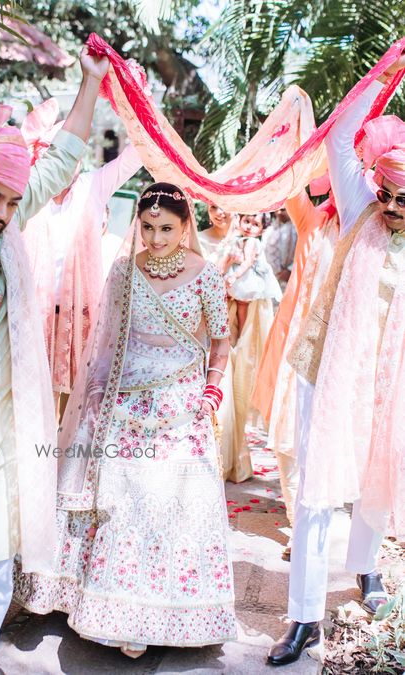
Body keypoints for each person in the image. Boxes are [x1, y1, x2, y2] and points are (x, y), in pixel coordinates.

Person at [14, 183, 237, 657]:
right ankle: (101, 605)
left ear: (185, 227)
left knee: (165, 505)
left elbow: (221, 340)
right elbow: (108, 342)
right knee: (119, 503)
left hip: (179, 406)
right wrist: (94, 398)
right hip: (121, 402)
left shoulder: (205, 275)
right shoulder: (123, 272)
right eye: (149, 227)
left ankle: (160, 613)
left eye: (167, 229)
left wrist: (211, 393)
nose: (156, 239)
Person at [0, 48, 110, 675]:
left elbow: (62, 157)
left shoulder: (10, 230)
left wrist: (93, 81)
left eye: (12, 201)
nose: (3, 212)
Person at [267, 53, 405, 666]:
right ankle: (303, 620)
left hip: (390, 382)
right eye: (390, 193)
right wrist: (389, 67)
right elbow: (346, 128)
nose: (394, 208)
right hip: (327, 371)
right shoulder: (357, 208)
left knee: (380, 476)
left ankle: (366, 571)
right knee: (315, 497)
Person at [22, 101, 142, 411]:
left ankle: (62, 458)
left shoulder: (93, 186)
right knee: (33, 404)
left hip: (81, 316)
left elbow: (135, 156)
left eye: (73, 153)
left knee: (74, 406)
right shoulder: (28, 193)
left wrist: (135, 101)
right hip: (34, 315)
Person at [252, 191, 339, 559]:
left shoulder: (373, 227)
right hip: (298, 344)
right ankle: (298, 524)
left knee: (325, 443)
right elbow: (291, 185)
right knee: (287, 440)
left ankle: (317, 523)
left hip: (342, 350)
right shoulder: (311, 220)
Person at [222, 213, 281, 338]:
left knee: (242, 307)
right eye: (247, 221)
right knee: (237, 306)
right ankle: (238, 334)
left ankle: (241, 336)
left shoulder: (251, 241)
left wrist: (234, 276)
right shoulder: (241, 239)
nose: (249, 227)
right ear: (240, 221)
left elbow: (248, 262)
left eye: (255, 225)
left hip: (246, 279)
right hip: (242, 277)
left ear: (261, 230)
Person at [263, 207, 297, 292]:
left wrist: (290, 270)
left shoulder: (298, 228)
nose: (278, 212)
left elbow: (303, 250)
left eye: (282, 210)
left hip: (294, 275)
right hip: (274, 277)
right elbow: (265, 253)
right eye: (276, 210)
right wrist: (278, 272)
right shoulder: (269, 231)